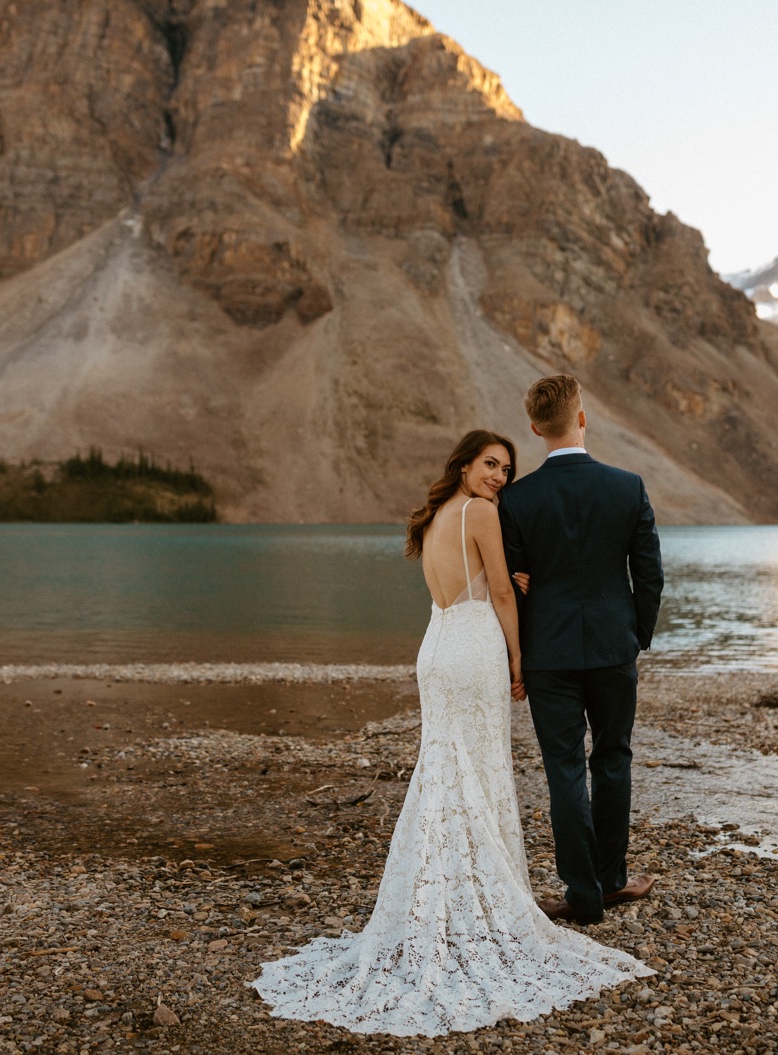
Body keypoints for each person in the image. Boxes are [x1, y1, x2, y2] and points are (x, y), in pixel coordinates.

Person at [252, 429, 651, 1036]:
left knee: (443, 766)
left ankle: (432, 892)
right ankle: (479, 897)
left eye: (506, 469)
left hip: (436, 646)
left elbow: (463, 584)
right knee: (479, 765)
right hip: (473, 652)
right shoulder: (482, 512)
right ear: (463, 464)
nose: (499, 476)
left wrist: (508, 583)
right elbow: (496, 591)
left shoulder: (435, 515)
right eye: (490, 464)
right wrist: (519, 659)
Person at [498, 375, 665, 924]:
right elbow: (649, 575)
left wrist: (519, 652)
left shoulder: (516, 498)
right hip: (614, 648)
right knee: (613, 757)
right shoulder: (628, 487)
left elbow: (512, 583)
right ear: (583, 417)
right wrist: (636, 634)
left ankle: (581, 894)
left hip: (548, 654)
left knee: (564, 770)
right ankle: (612, 880)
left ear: (534, 428)